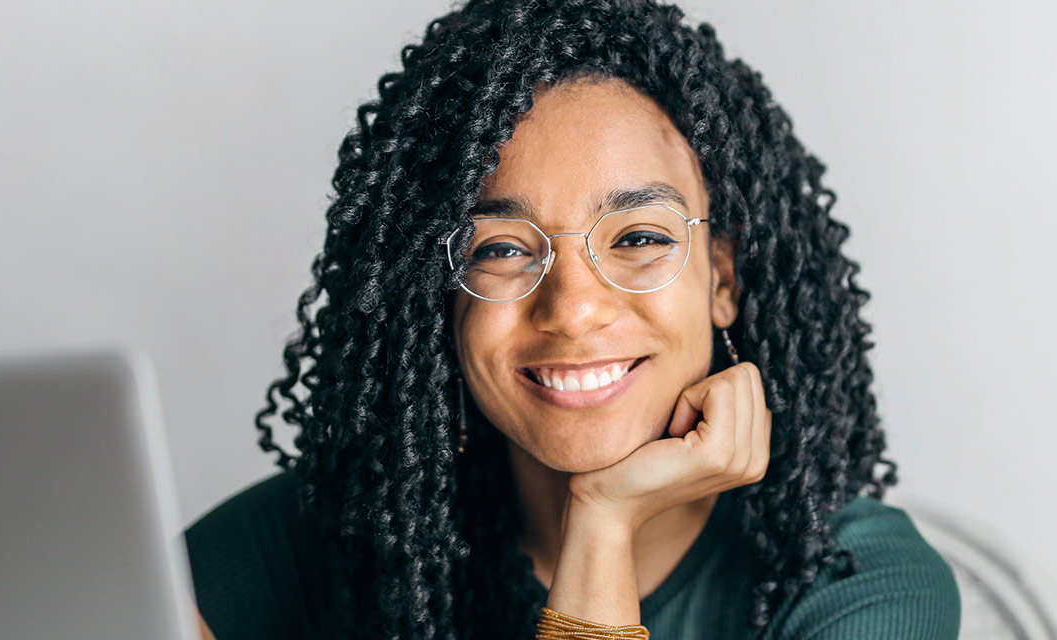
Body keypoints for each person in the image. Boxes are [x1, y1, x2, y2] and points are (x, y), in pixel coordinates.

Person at [184, 1, 958, 638]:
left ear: (722, 277)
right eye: (503, 250)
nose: (574, 308)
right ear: (441, 293)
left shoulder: (864, 588)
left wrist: (604, 518)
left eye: (640, 238)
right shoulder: (333, 536)